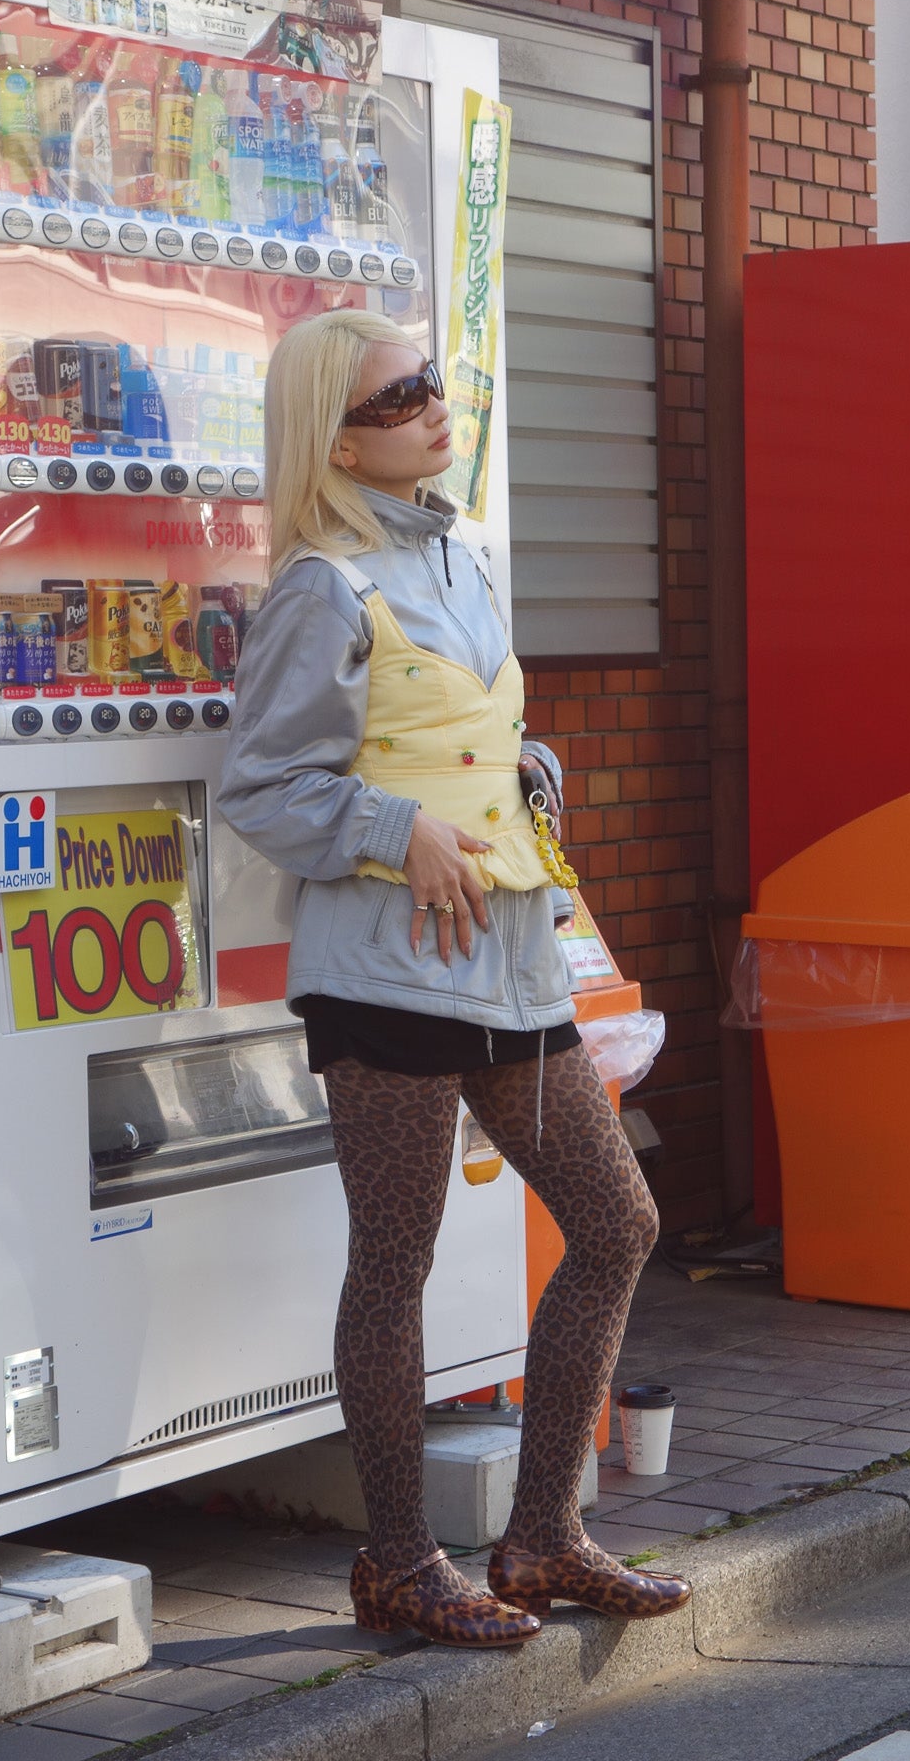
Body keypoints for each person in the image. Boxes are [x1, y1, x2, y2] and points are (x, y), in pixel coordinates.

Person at [218, 307, 688, 1649]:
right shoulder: (322, 586)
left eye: (432, 383)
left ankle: (541, 1538)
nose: (435, 405)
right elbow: (261, 782)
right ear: (336, 438)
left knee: (619, 1223)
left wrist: (523, 772)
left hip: (508, 961)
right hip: (385, 978)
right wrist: (392, 830)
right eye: (398, 396)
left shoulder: (462, 560)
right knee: (397, 1262)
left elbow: (479, 724)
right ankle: (398, 1560)